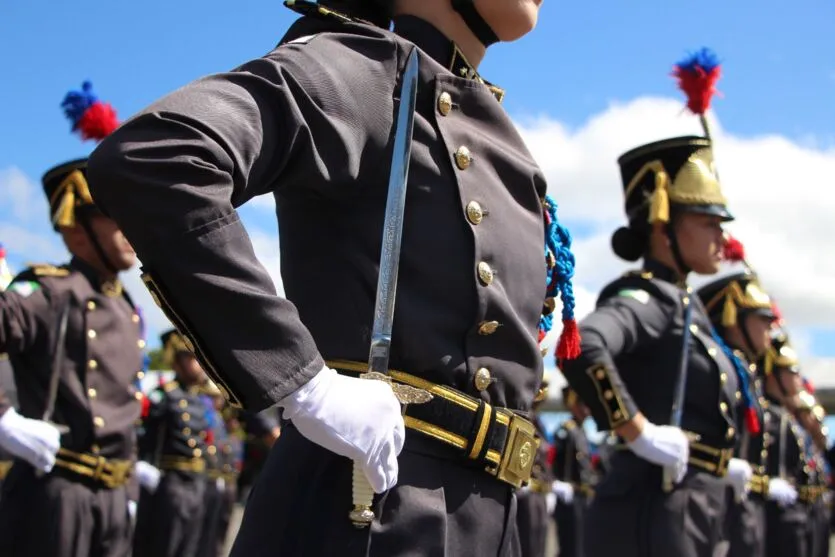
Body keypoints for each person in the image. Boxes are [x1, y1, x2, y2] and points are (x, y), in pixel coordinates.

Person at [86, 0, 581, 555]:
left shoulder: (496, 122)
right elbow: (158, 157)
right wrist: (303, 383)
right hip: (369, 503)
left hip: (490, 514)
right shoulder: (367, 71)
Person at [559, 134, 753, 557]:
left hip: (695, 503)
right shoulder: (650, 300)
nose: (722, 236)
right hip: (654, 507)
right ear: (664, 223)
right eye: (709, 222)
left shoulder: (689, 309)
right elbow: (583, 343)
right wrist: (637, 430)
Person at [0, 82, 144, 557]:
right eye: (114, 217)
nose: (130, 231)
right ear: (75, 231)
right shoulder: (49, 290)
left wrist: (129, 491)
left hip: (114, 499)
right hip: (54, 495)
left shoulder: (128, 306)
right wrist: (2, 421)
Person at [696, 250, 779, 557]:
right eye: (764, 321)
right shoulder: (721, 367)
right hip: (716, 503)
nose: (770, 332)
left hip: (743, 503)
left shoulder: (746, 372)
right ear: (734, 318)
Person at [133, 329, 213, 557]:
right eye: (191, 358)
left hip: (197, 482)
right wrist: (143, 465)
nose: (198, 364)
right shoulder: (164, 395)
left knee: (189, 548)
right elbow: (144, 436)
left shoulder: (200, 399)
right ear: (177, 362)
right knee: (165, 547)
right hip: (172, 482)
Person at [757, 328, 807, 556]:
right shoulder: (767, 413)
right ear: (774, 373)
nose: (798, 378)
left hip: (792, 516)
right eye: (792, 371)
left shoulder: (783, 416)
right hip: (769, 517)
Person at [515, 379, 556, 557]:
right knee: (527, 547)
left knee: (539, 546)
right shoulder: (523, 417)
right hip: (525, 492)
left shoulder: (539, 422)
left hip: (539, 494)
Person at [551, 386, 593, 557]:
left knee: (582, 548)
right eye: (582, 404)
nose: (586, 410)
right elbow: (554, 461)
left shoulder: (581, 431)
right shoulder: (566, 430)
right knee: (571, 548)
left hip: (583, 498)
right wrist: (556, 483)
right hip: (569, 498)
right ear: (573, 405)